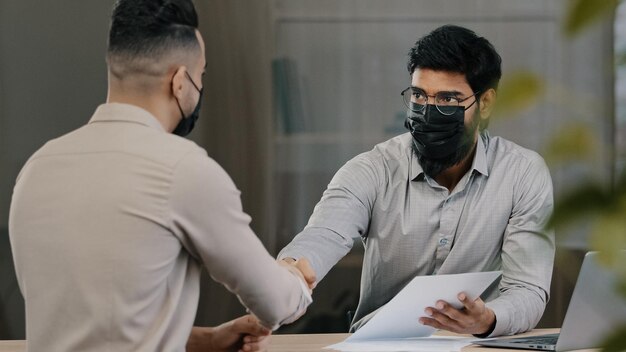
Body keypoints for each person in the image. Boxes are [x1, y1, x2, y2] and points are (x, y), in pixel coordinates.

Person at [8, 0, 311, 351]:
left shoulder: (36, 169)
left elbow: (94, 328)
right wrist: (296, 278)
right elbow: (275, 304)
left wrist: (207, 340)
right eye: (201, 76)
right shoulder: (183, 170)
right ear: (180, 81)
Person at [278, 24, 555, 338]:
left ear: (486, 103)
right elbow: (323, 235)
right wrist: (291, 268)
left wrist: (488, 319)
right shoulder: (371, 170)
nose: (428, 113)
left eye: (449, 100)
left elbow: (528, 289)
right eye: (419, 96)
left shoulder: (522, 173)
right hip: (379, 345)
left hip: (476, 346)